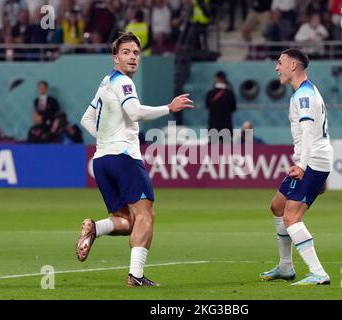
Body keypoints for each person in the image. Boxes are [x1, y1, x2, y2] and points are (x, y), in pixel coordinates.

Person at [77, 32, 193, 287]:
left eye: (136, 53)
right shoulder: (124, 83)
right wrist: (168, 108)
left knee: (128, 221)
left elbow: (86, 119)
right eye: (126, 52)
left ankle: (95, 228)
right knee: (145, 216)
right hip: (124, 157)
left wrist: (107, 138)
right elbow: (135, 112)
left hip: (102, 160)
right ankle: (136, 276)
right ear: (115, 57)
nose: (132, 57)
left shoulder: (106, 82)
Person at [260, 48, 333, 286]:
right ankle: (285, 267)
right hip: (314, 160)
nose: (276, 67)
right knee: (278, 206)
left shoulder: (303, 96)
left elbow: (307, 132)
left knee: (292, 216)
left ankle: (319, 273)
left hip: (311, 161)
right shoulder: (308, 91)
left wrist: (302, 165)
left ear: (293, 66)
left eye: (280, 62)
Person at [205, 70, 236, 142]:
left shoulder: (210, 93)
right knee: (227, 151)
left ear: (216, 78)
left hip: (213, 125)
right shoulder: (230, 94)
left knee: (212, 151)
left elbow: (207, 106)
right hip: (226, 125)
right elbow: (233, 108)